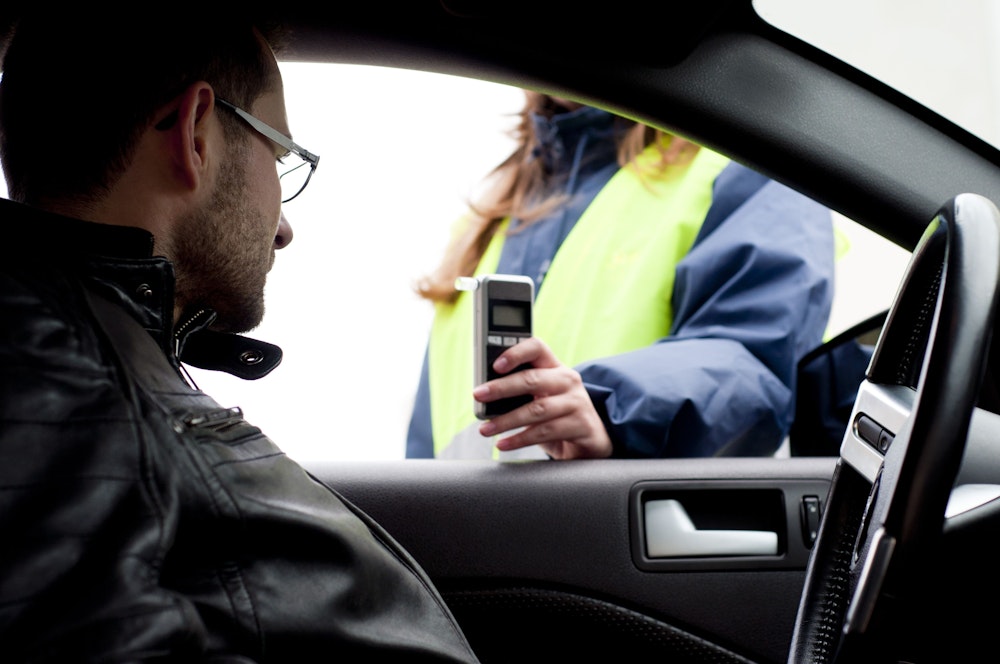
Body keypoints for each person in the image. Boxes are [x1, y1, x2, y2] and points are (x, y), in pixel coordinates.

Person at [0, 14, 479, 663]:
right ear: (195, 133)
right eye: (281, 155)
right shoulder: (74, 393)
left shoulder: (75, 356)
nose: (283, 229)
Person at [406, 92, 838, 460]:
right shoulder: (482, 225)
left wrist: (609, 408)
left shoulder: (740, 169)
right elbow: (428, 444)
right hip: (472, 548)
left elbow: (752, 361)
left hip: (623, 541)